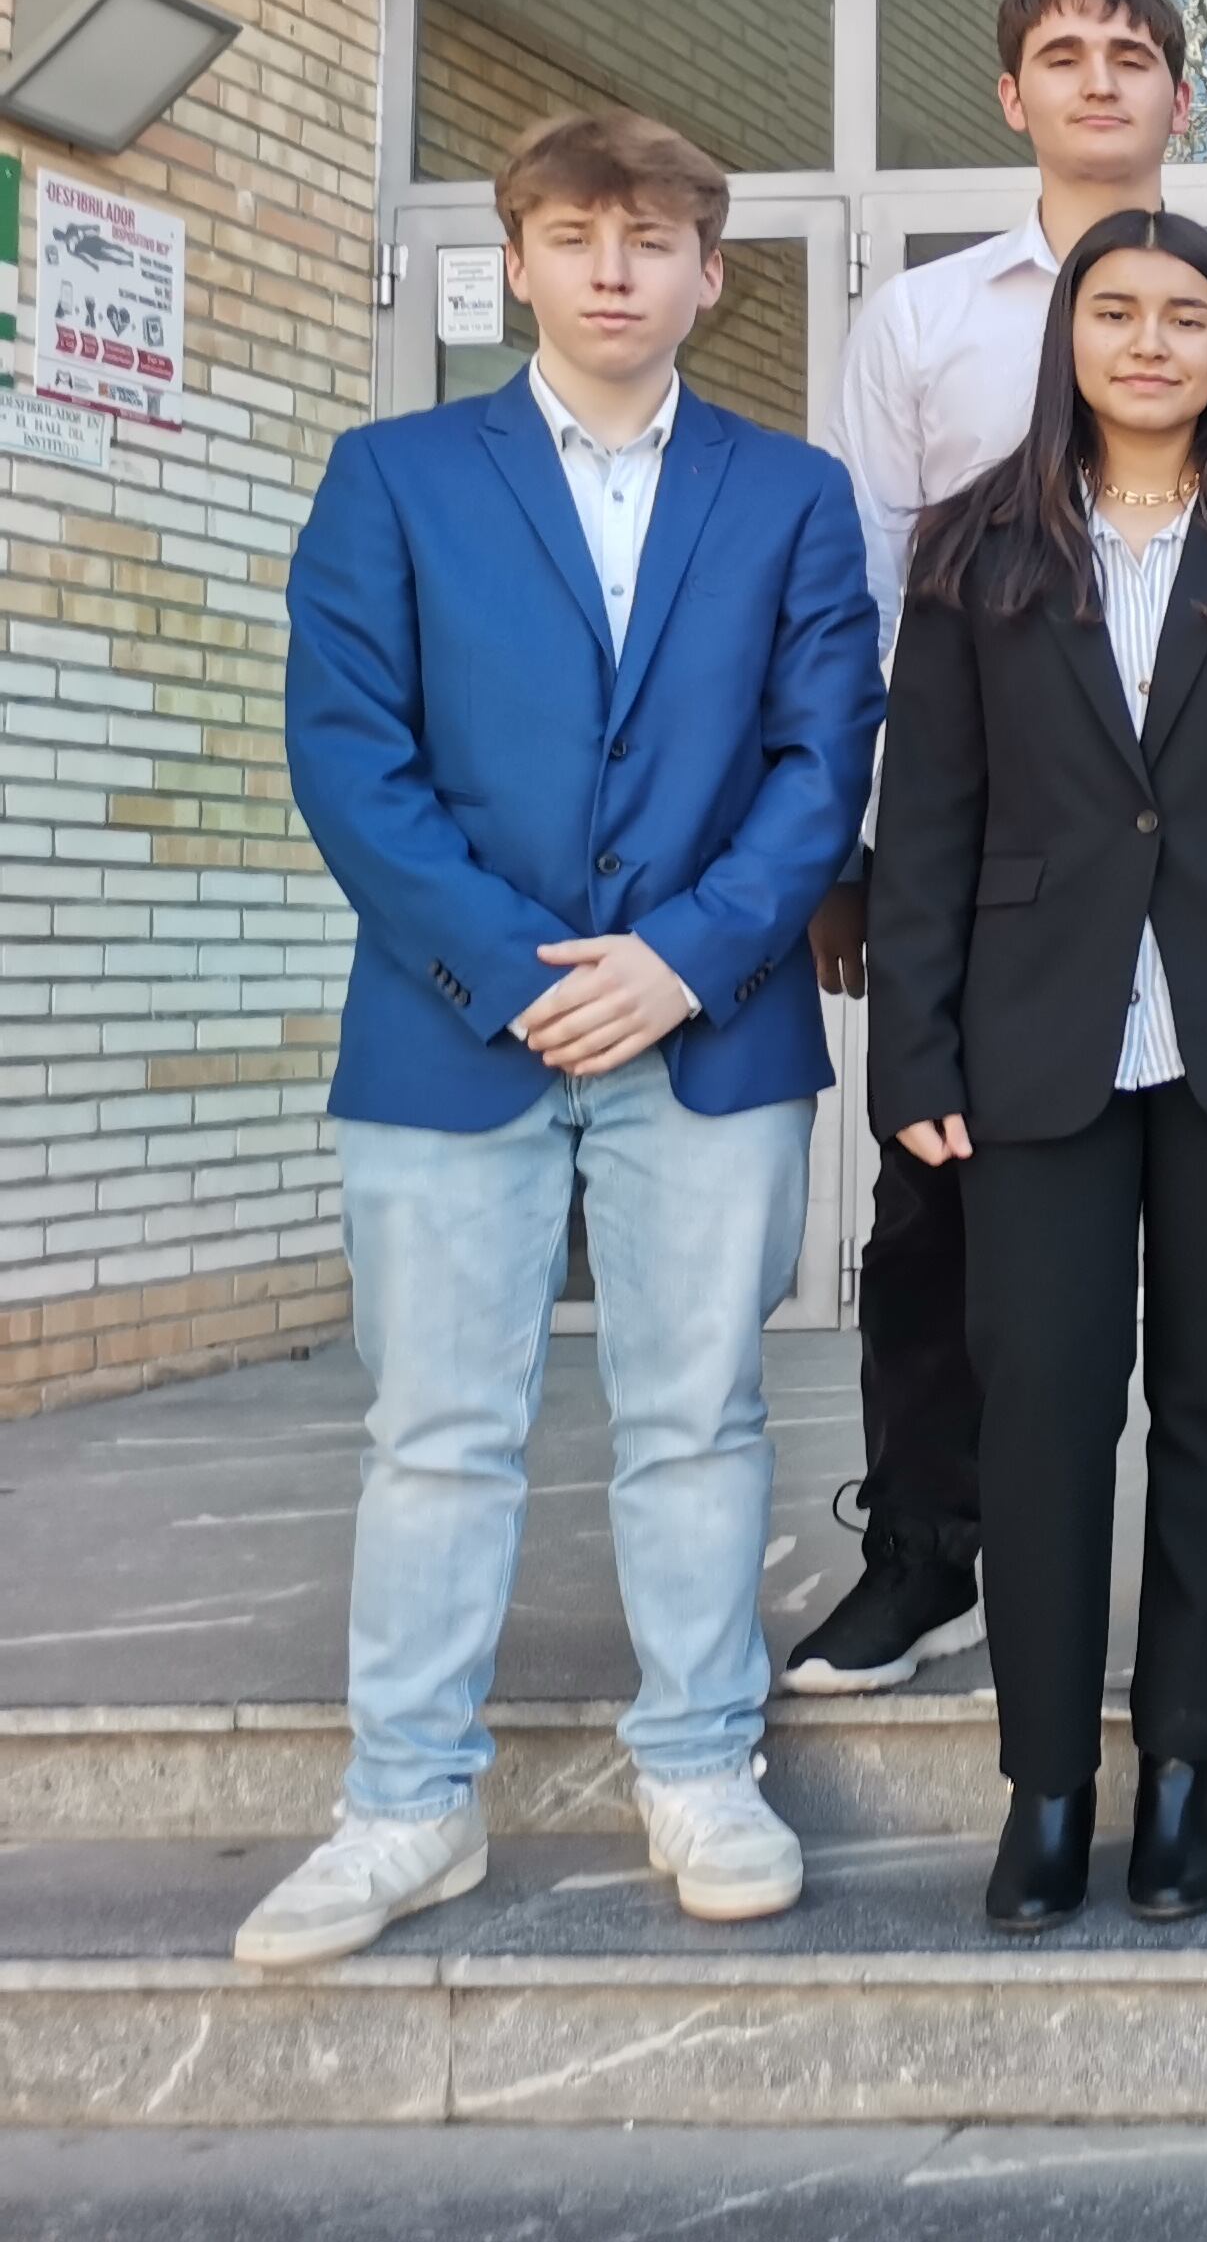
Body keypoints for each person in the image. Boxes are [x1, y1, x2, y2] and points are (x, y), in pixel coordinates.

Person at [247, 112, 881, 1967]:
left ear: (710, 273)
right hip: (456, 1036)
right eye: (577, 234)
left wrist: (679, 961)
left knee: (698, 1419)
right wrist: (522, 972)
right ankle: (405, 1804)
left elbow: (820, 754)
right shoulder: (395, 477)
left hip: (709, 1032)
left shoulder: (790, 495)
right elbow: (347, 755)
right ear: (515, 261)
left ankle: (699, 1763)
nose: (616, 266)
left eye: (657, 236)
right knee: (441, 1432)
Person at [793, 0, 1207, 1698]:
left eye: (1135, 56)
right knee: (940, 1231)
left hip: (1203, 889)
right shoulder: (922, 322)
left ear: (1181, 96)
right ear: (1011, 96)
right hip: (995, 865)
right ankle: (926, 1550)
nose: (1101, 81)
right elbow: (868, 590)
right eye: (1062, 55)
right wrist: (863, 855)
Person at [867, 210, 1207, 1929]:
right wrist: (911, 1049)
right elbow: (930, 819)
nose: (1152, 342)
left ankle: (1183, 1763)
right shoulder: (976, 545)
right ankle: (1045, 1781)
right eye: (1118, 312)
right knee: (1042, 1408)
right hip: (1036, 1037)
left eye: (1187, 316)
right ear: (1069, 339)